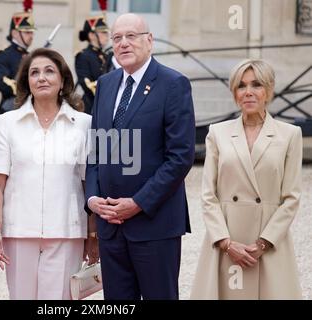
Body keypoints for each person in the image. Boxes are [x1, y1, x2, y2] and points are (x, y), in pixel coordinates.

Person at [85, 13, 196, 300]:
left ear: (149, 41)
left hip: (154, 224)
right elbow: (96, 150)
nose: (123, 44)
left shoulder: (173, 84)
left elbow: (180, 157)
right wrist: (93, 198)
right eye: (117, 38)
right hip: (111, 225)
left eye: (131, 36)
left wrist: (138, 203)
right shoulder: (106, 85)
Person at [0, 48, 98, 300]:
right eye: (34, 72)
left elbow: (89, 184)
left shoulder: (84, 124)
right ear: (26, 81)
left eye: (49, 71)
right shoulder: (6, 122)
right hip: (18, 231)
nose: (41, 78)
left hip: (66, 232)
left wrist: (93, 236)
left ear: (62, 81)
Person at [191, 59, 303, 300]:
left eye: (256, 85)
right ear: (234, 93)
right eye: (241, 86)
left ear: (269, 90)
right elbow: (208, 195)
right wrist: (226, 243)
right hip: (226, 242)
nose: (248, 92)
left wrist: (263, 243)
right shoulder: (217, 133)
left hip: (269, 245)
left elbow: (292, 197)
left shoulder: (290, 134)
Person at [0, 11, 35, 115]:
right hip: (11, 108)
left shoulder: (31, 56)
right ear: (15, 33)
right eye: (27, 32)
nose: (31, 36)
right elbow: (4, 85)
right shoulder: (3, 55)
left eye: (32, 32)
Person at [75, 15, 112, 115]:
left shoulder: (107, 55)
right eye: (103, 32)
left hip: (109, 107)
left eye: (107, 32)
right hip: (92, 108)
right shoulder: (83, 56)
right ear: (91, 35)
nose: (107, 36)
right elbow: (89, 86)